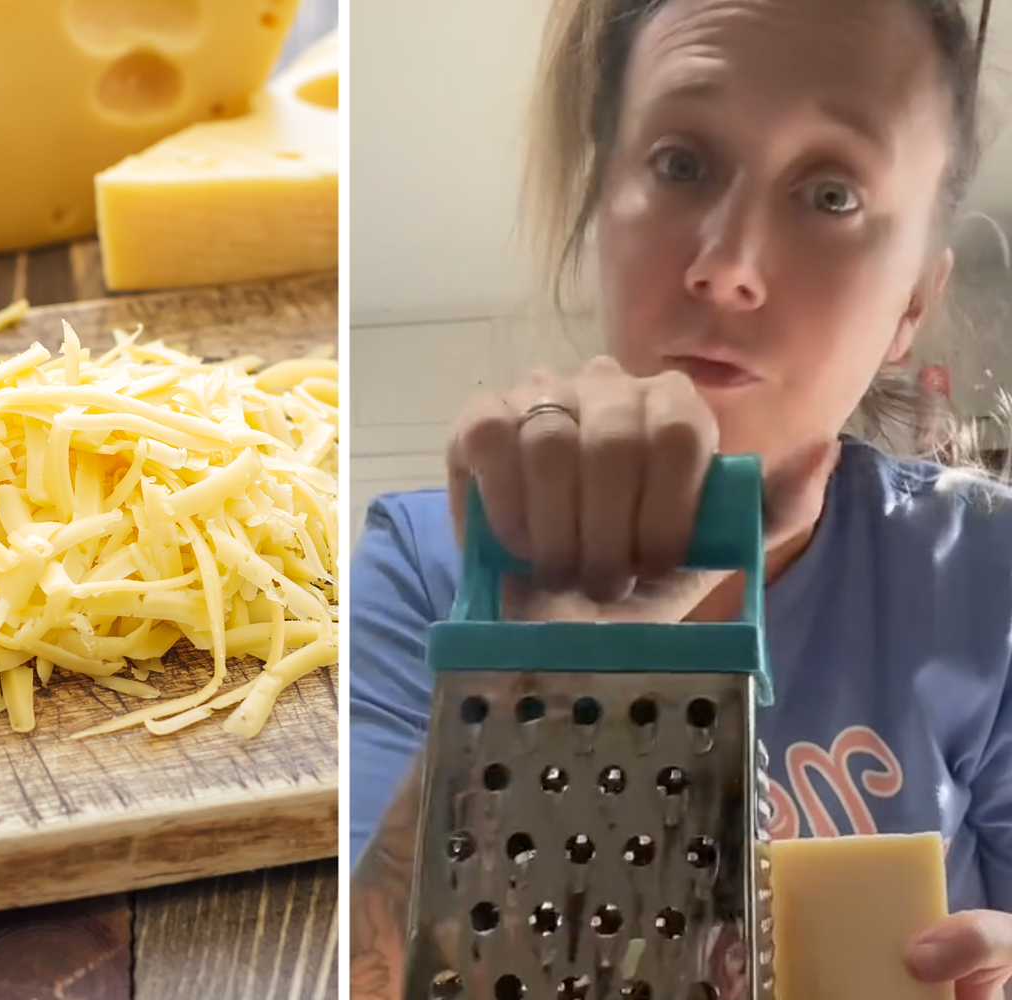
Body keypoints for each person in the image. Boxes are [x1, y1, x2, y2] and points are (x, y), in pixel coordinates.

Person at [347, 0, 1012, 998]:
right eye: (680, 164)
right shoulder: (417, 562)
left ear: (910, 302)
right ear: (600, 211)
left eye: (831, 194)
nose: (728, 264)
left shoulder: (989, 571)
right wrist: (539, 666)